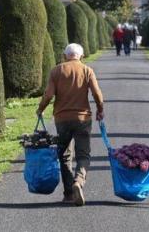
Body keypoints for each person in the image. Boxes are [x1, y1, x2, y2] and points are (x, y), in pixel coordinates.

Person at [37, 43, 105, 206]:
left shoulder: (56, 71)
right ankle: (79, 181)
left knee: (65, 155)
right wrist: (100, 109)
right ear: (81, 56)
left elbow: (48, 95)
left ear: (65, 55)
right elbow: (97, 93)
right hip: (82, 119)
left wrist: (40, 109)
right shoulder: (87, 70)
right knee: (83, 154)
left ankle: (68, 193)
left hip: (62, 118)